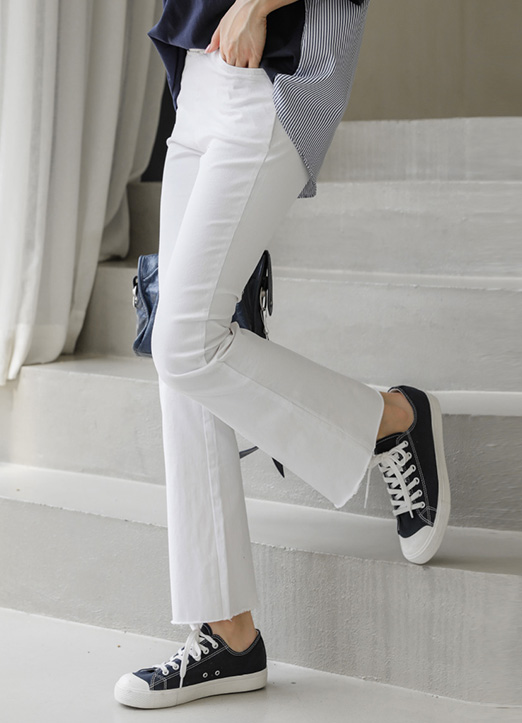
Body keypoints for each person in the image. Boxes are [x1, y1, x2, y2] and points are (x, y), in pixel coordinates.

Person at [114, 0, 451, 709]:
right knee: (181, 358)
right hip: (201, 69)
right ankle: (228, 633)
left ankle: (392, 420)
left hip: (270, 70)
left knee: (185, 341)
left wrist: (255, 4)